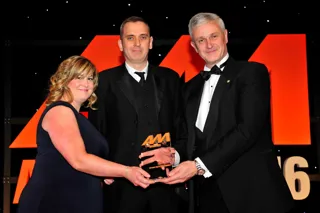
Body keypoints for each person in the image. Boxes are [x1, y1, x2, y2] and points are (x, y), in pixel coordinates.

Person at [156, 12, 295, 213]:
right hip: (207, 196)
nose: (209, 44)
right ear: (194, 47)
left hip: (253, 194)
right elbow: (189, 139)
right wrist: (174, 156)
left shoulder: (251, 73)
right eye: (201, 40)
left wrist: (197, 166)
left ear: (226, 36)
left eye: (214, 36)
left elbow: (247, 131)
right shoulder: (188, 89)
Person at [17, 55, 152, 213]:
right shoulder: (60, 111)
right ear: (65, 79)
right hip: (54, 201)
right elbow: (79, 160)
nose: (86, 83)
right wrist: (126, 171)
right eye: (79, 77)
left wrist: (103, 173)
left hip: (77, 201)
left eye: (90, 78)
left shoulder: (79, 118)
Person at [88, 16, 187, 213]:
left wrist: (175, 158)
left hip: (165, 187)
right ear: (120, 44)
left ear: (150, 42)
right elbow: (96, 134)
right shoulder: (103, 82)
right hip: (121, 189)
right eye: (130, 38)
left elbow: (182, 129)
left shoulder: (171, 79)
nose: (136, 43)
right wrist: (101, 172)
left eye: (142, 37)